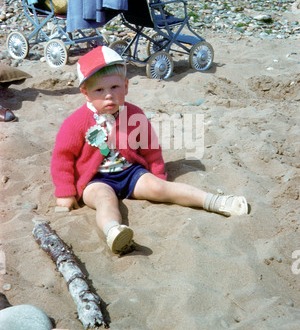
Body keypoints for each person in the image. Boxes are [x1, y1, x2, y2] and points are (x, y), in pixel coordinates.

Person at [51, 46, 248, 255]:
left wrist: (158, 174)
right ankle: (114, 231)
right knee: (104, 200)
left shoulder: (134, 114)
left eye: (115, 87)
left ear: (126, 86)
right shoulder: (76, 123)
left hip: (130, 172)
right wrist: (65, 192)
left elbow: (150, 147)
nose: (109, 96)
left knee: (160, 189)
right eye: (99, 90)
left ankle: (215, 201)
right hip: (95, 179)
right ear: (86, 93)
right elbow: (62, 158)